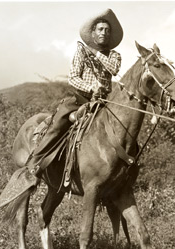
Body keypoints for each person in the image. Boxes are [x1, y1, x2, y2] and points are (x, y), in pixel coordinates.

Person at [27, 8, 123, 177]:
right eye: (100, 29)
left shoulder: (114, 55)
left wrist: (97, 54)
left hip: (105, 102)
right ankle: (36, 161)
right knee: (58, 124)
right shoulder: (81, 51)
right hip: (81, 99)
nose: (104, 33)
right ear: (93, 33)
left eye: (107, 30)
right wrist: (91, 88)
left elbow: (114, 69)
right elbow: (72, 77)